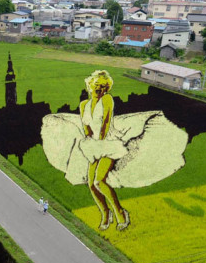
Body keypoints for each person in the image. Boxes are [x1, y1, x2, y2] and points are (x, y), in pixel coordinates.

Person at [41, 70, 189, 231]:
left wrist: (99, 143)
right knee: (91, 184)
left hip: (108, 143)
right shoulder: (84, 105)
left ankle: (120, 213)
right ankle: (105, 213)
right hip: (92, 145)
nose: (100, 89)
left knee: (99, 181)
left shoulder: (107, 100)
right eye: (97, 86)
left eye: (104, 87)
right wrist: (90, 142)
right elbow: (86, 126)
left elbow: (105, 122)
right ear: (90, 86)